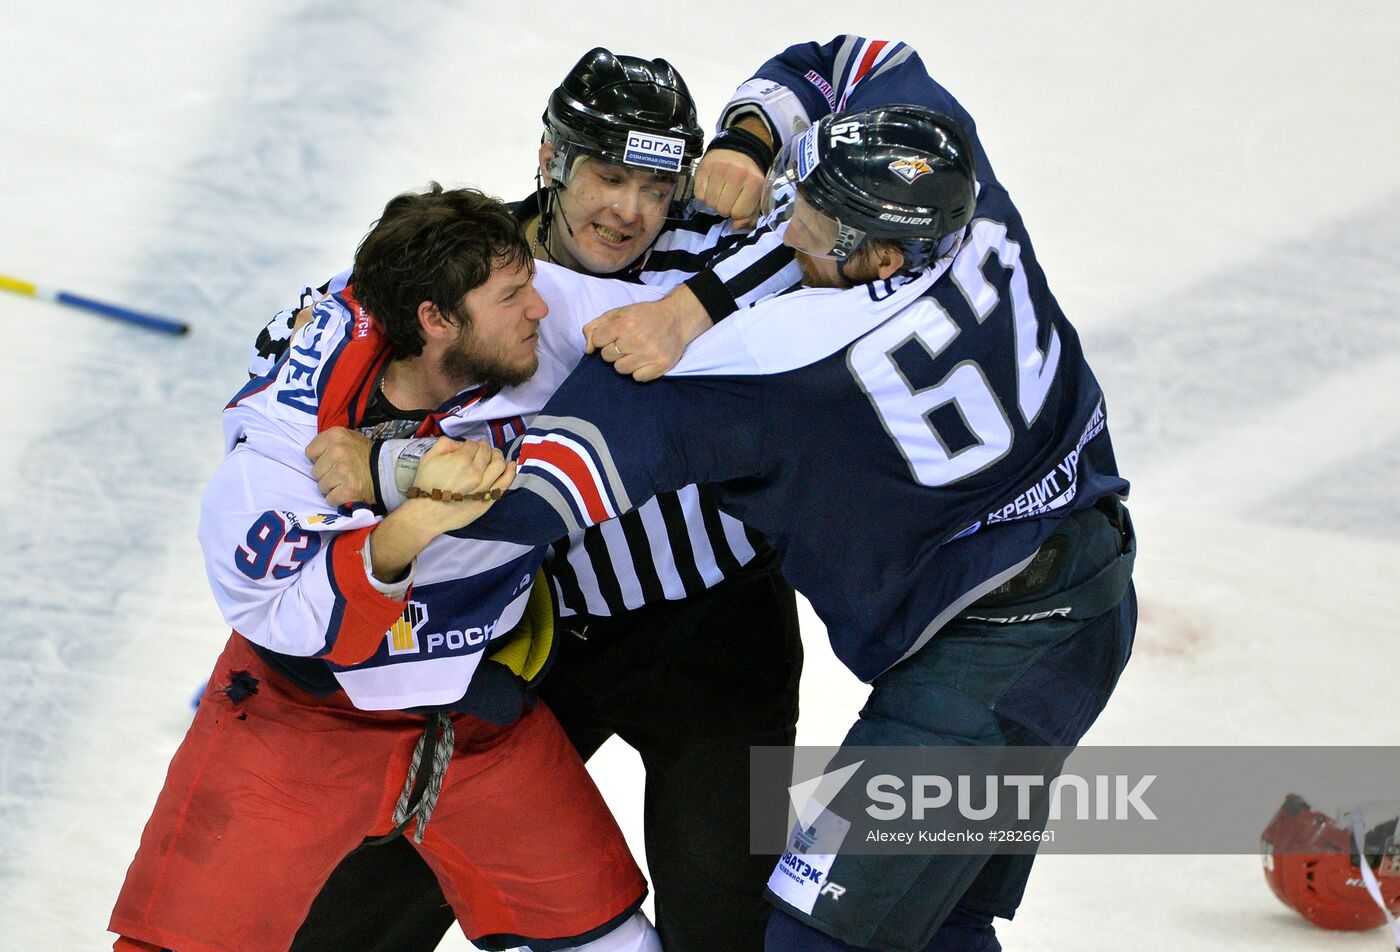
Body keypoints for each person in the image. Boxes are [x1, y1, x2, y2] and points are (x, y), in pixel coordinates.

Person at [421, 40, 1139, 951]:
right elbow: (860, 56)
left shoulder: (772, 359)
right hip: (1091, 581)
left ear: (879, 256)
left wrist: (390, 498)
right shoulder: (959, 180)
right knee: (940, 922)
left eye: (812, 218)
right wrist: (753, 143)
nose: (781, 223)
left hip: (981, 661)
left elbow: (551, 487)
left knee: (810, 937)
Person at [269, 49, 807, 952]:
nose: (630, 211)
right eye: (608, 174)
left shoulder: (714, 247)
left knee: (728, 922)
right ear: (552, 159)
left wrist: (751, 142)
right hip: (548, 632)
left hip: (728, 637)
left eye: (655, 182)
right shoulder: (478, 267)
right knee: (380, 889)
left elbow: (850, 90)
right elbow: (347, 365)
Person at [109, 185, 669, 952]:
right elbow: (291, 614)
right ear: (435, 320)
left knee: (617, 940)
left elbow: (696, 337)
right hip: (296, 727)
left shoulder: (531, 322)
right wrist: (414, 523)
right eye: (513, 296)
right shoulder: (275, 451)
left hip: (486, 714)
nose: (540, 309)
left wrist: (392, 471)